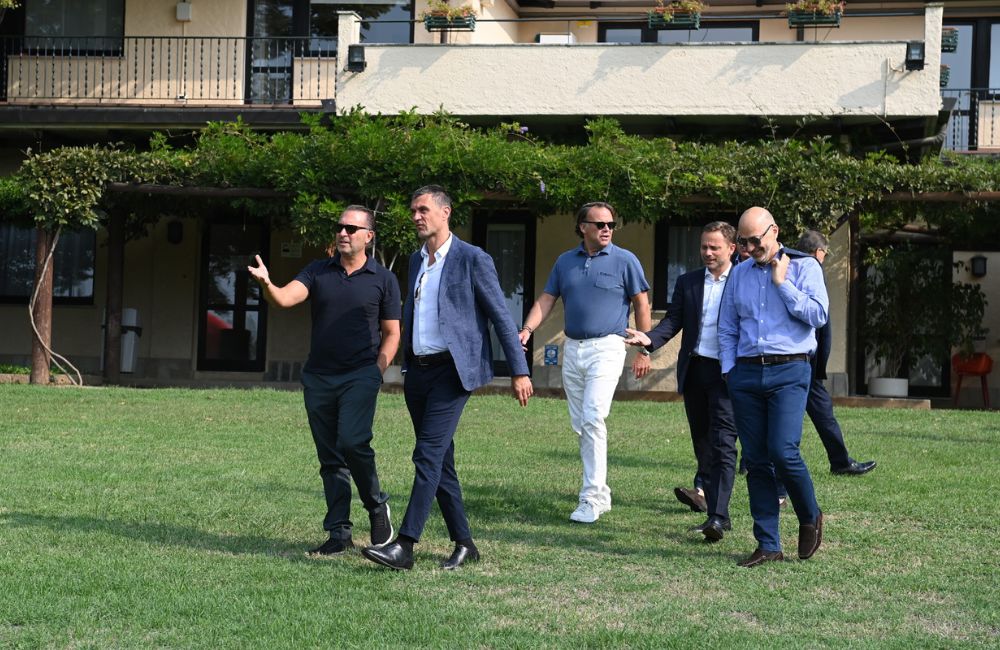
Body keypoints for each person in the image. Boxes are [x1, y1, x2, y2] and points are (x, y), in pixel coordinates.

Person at [361, 185, 533, 571]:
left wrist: (519, 371)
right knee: (441, 462)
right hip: (418, 373)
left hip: (453, 373)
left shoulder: (473, 258)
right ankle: (465, 543)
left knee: (425, 456)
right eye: (413, 211)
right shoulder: (414, 260)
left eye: (423, 210)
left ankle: (404, 545)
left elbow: (501, 317)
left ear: (445, 213)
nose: (416, 216)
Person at [247, 206, 399, 556]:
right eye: (339, 227)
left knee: (353, 441)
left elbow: (392, 333)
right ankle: (339, 533)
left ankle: (376, 506)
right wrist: (267, 283)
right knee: (330, 457)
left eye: (351, 228)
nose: (343, 233)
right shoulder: (318, 271)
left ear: (368, 237)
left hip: (361, 373)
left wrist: (378, 368)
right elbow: (285, 298)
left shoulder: (383, 279)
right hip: (319, 377)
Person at [520, 201, 651, 524]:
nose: (607, 229)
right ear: (583, 227)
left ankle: (590, 497)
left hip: (608, 346)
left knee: (593, 417)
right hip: (573, 348)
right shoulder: (566, 262)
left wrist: (645, 348)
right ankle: (601, 493)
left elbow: (642, 302)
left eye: (611, 224)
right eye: (600, 224)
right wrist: (526, 329)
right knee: (581, 424)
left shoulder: (625, 260)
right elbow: (547, 299)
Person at [719, 207, 827, 567]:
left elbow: (818, 315)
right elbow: (728, 326)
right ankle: (768, 543)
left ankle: (810, 515)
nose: (748, 248)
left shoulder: (804, 267)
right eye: (743, 242)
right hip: (746, 375)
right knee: (756, 460)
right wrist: (730, 371)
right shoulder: (739, 274)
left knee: (783, 451)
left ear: (774, 231)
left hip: (790, 370)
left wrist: (784, 285)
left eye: (754, 240)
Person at [624, 221, 739, 542]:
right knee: (704, 443)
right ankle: (715, 510)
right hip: (695, 372)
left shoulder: (745, 280)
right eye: (704, 246)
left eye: (714, 247)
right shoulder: (688, 282)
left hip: (729, 375)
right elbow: (673, 320)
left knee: (724, 443)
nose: (707, 252)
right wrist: (647, 339)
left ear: (731, 248)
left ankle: (718, 516)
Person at [795, 230, 877, 476]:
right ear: (819, 252)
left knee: (819, 411)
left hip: (800, 359)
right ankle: (839, 461)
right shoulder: (811, 269)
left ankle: (840, 460)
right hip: (802, 359)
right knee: (795, 416)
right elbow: (821, 323)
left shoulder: (787, 266)